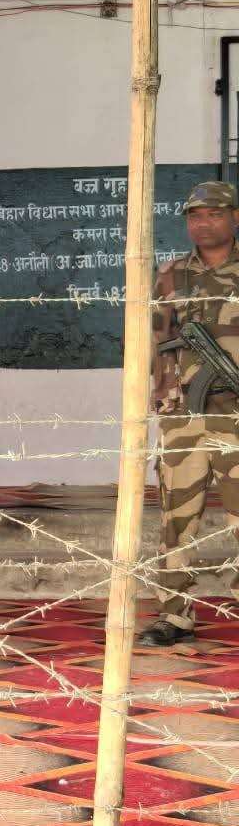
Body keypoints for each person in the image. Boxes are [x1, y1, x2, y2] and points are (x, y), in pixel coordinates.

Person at [142, 181, 239, 647]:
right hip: (184, 416)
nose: (203, 223)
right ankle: (174, 614)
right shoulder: (172, 275)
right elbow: (157, 340)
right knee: (177, 519)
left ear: (235, 217)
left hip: (235, 415)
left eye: (214, 214)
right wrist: (160, 393)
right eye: (195, 216)